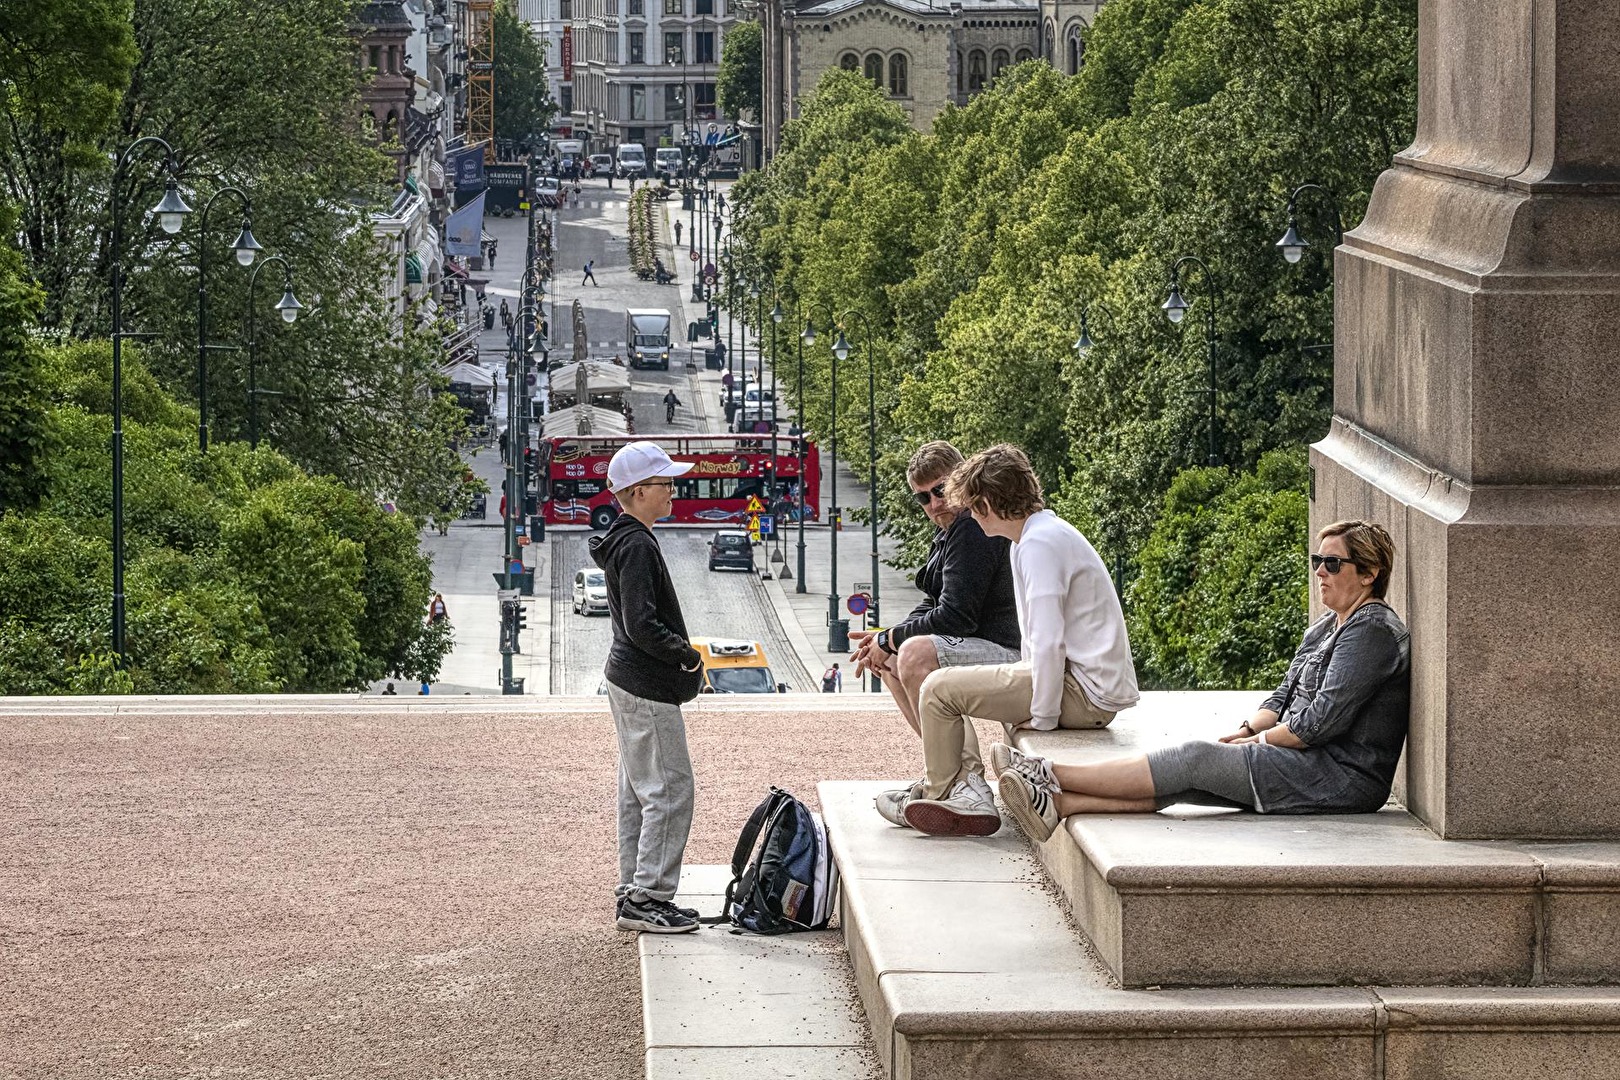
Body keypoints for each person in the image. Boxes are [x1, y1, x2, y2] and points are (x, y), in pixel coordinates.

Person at [994, 520, 1412, 843]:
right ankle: (1059, 805)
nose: (1320, 571)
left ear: (1369, 573)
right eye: (1316, 561)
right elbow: (1284, 695)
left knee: (1194, 759)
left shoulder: (1372, 631)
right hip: (1303, 762)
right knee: (1190, 778)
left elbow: (1320, 721)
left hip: (1340, 777)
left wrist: (1258, 746)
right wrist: (1247, 730)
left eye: (1332, 563)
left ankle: (1048, 773)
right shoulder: (1327, 627)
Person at [897, 444, 1140, 836]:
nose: (970, 517)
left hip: (1085, 695)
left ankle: (944, 792)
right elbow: (1035, 640)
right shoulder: (1031, 538)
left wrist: (1042, 719)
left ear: (987, 504)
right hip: (1079, 685)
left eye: (972, 507)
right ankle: (950, 791)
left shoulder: (1040, 545)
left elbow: (1047, 643)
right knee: (938, 686)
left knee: (938, 690)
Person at [852, 442, 1022, 828]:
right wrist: (885, 639)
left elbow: (956, 617)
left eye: (940, 490)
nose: (933, 503)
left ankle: (966, 785)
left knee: (912, 655)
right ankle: (945, 779)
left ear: (961, 482)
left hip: (1013, 653)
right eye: (922, 497)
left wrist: (892, 639)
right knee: (895, 660)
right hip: (988, 646)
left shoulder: (972, 527)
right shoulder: (952, 531)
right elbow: (933, 604)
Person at [592, 441, 707, 934]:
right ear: (638, 492)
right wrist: (687, 656)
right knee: (670, 789)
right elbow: (642, 625)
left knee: (638, 791)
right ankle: (650, 896)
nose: (672, 491)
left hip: (625, 679)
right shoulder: (637, 544)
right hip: (646, 683)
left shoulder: (622, 538)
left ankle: (634, 889)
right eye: (665, 483)